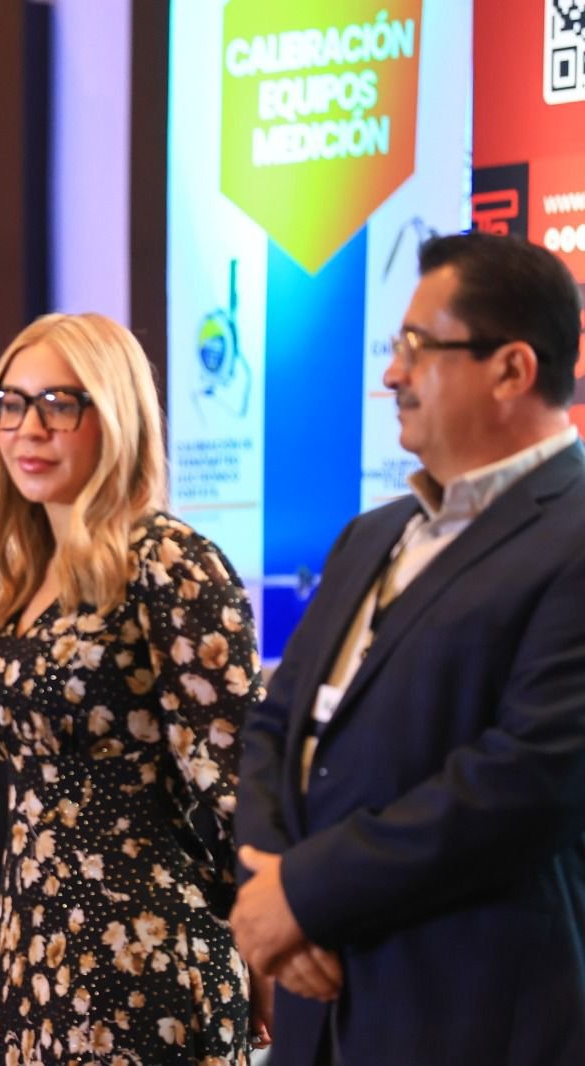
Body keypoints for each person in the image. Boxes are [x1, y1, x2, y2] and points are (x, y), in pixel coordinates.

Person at [233, 231, 585, 1065]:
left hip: (466, 1012)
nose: (391, 374)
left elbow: (524, 781)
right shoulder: (371, 535)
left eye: (418, 347)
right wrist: (270, 883)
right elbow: (275, 725)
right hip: (319, 1006)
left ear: (512, 370)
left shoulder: (572, 534)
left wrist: (305, 893)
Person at [0, 313, 264, 1065]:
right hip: (30, 945)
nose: (29, 429)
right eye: (10, 403)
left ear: (117, 414)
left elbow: (240, 780)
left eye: (59, 404)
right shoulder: (26, 573)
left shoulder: (170, 561)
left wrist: (272, 938)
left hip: (144, 948)